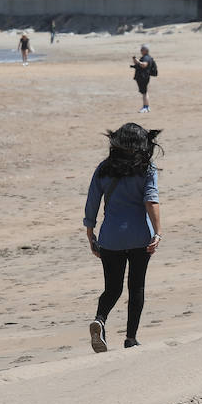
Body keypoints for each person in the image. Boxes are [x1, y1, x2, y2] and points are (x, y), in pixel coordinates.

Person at [82, 122, 163, 352]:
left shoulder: (103, 169)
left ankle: (100, 319)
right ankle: (131, 338)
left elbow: (92, 203)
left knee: (113, 288)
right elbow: (151, 200)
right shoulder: (147, 168)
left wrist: (91, 233)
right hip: (140, 236)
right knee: (136, 287)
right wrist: (157, 232)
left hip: (111, 238)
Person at [132, 44, 155, 113]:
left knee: (144, 92)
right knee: (145, 92)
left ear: (146, 50)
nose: (141, 51)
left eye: (142, 50)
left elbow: (144, 65)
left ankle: (146, 107)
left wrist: (137, 61)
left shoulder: (146, 58)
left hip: (143, 77)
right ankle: (146, 106)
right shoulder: (146, 57)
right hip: (144, 77)